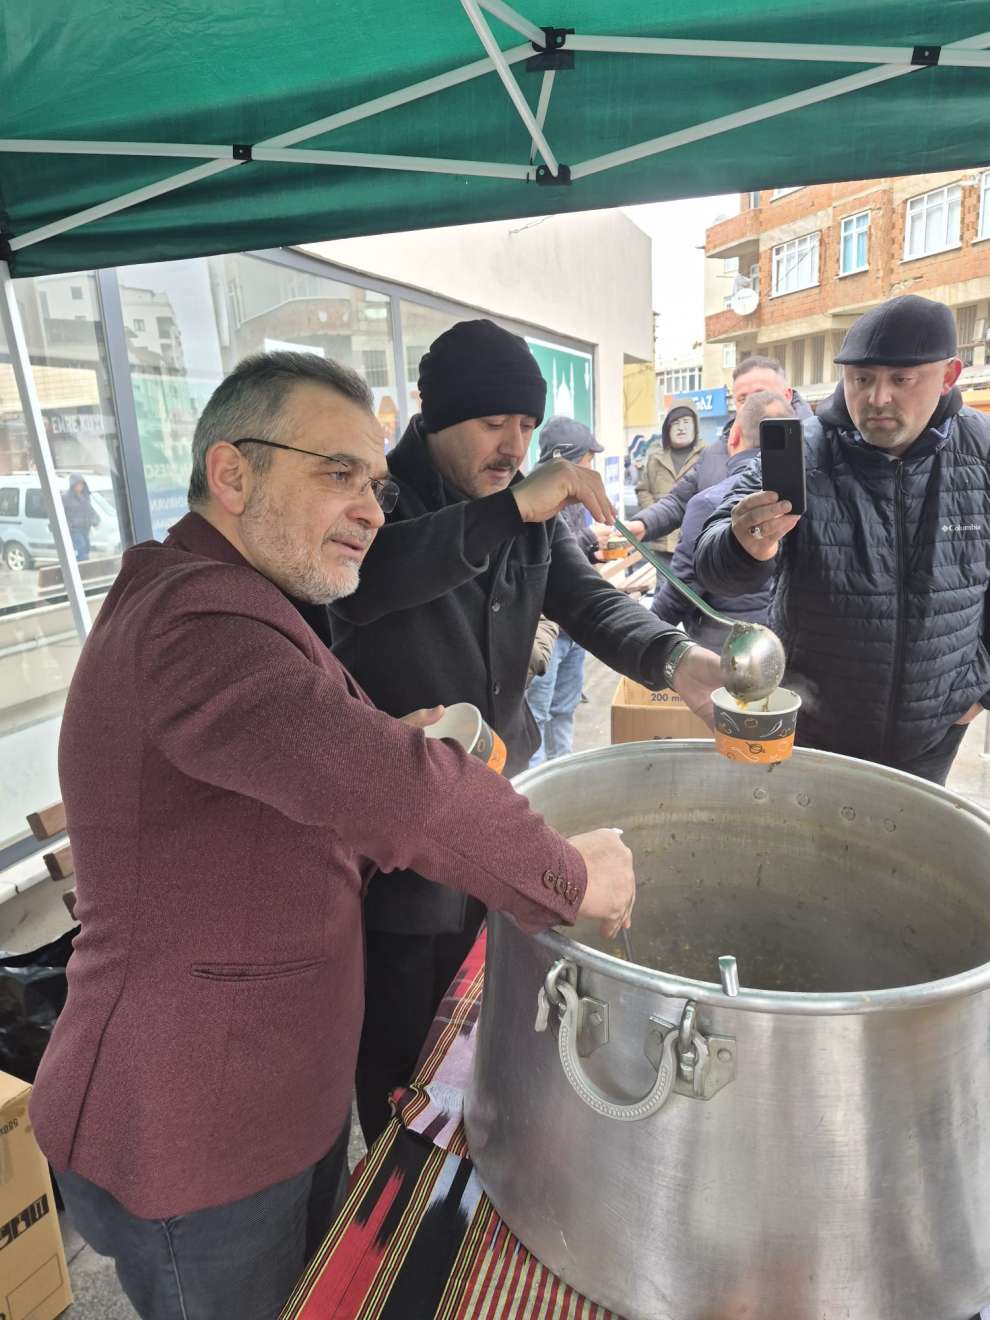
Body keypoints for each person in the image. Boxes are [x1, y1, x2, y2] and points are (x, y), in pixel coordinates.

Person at [27, 352, 636, 1320]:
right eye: (336, 473)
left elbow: (294, 771)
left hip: (278, 1100)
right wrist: (568, 876)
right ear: (232, 474)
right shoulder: (196, 616)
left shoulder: (246, 598)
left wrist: (386, 742)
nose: (370, 509)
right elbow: (403, 796)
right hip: (195, 1138)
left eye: (377, 484)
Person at [323, 318, 722, 1144]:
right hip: (396, 836)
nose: (514, 445)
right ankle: (398, 1185)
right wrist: (510, 508)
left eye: (527, 426)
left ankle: (475, 1148)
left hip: (498, 806)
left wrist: (676, 659)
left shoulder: (525, 509)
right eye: (493, 423)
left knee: (484, 1015)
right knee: (399, 1043)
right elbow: (364, 586)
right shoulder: (376, 498)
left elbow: (586, 598)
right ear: (435, 416)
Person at [695, 295, 990, 785]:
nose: (877, 399)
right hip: (817, 726)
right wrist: (746, 544)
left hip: (936, 731)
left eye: (901, 379)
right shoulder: (805, 452)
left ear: (949, 375)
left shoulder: (981, 450)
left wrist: (979, 692)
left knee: (905, 849)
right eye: (862, 379)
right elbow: (713, 562)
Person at [652, 390, 794, 650]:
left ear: (735, 436)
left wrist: (641, 636)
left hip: (727, 651)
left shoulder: (709, 502)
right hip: (787, 649)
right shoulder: (813, 500)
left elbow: (681, 592)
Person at [626, 356, 812, 545]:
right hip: (715, 567)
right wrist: (643, 524)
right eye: (742, 398)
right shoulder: (713, 453)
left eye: (759, 394)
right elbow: (679, 500)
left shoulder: (817, 447)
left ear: (787, 395)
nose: (750, 404)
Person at [526, 416, 608, 764]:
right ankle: (537, 791)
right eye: (587, 460)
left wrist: (591, 551)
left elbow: (570, 553)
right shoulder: (534, 496)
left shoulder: (573, 500)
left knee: (565, 707)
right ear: (568, 459)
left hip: (573, 628)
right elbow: (541, 557)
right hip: (545, 629)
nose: (591, 468)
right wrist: (590, 540)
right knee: (537, 714)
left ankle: (563, 768)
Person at [634, 403, 705, 560]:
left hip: (695, 543)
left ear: (696, 426)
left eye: (686, 422)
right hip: (662, 543)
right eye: (675, 423)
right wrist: (656, 516)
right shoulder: (655, 457)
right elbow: (643, 489)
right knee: (664, 583)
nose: (681, 428)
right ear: (667, 429)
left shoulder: (707, 456)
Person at [62, 472, 100, 561]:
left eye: (81, 484)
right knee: (81, 549)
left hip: (85, 529)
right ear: (73, 485)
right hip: (74, 530)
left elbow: (90, 511)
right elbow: (61, 514)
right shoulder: (65, 497)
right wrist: (68, 526)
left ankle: (80, 566)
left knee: (86, 549)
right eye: (77, 484)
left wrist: (95, 521)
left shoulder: (85, 496)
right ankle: (84, 570)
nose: (80, 486)